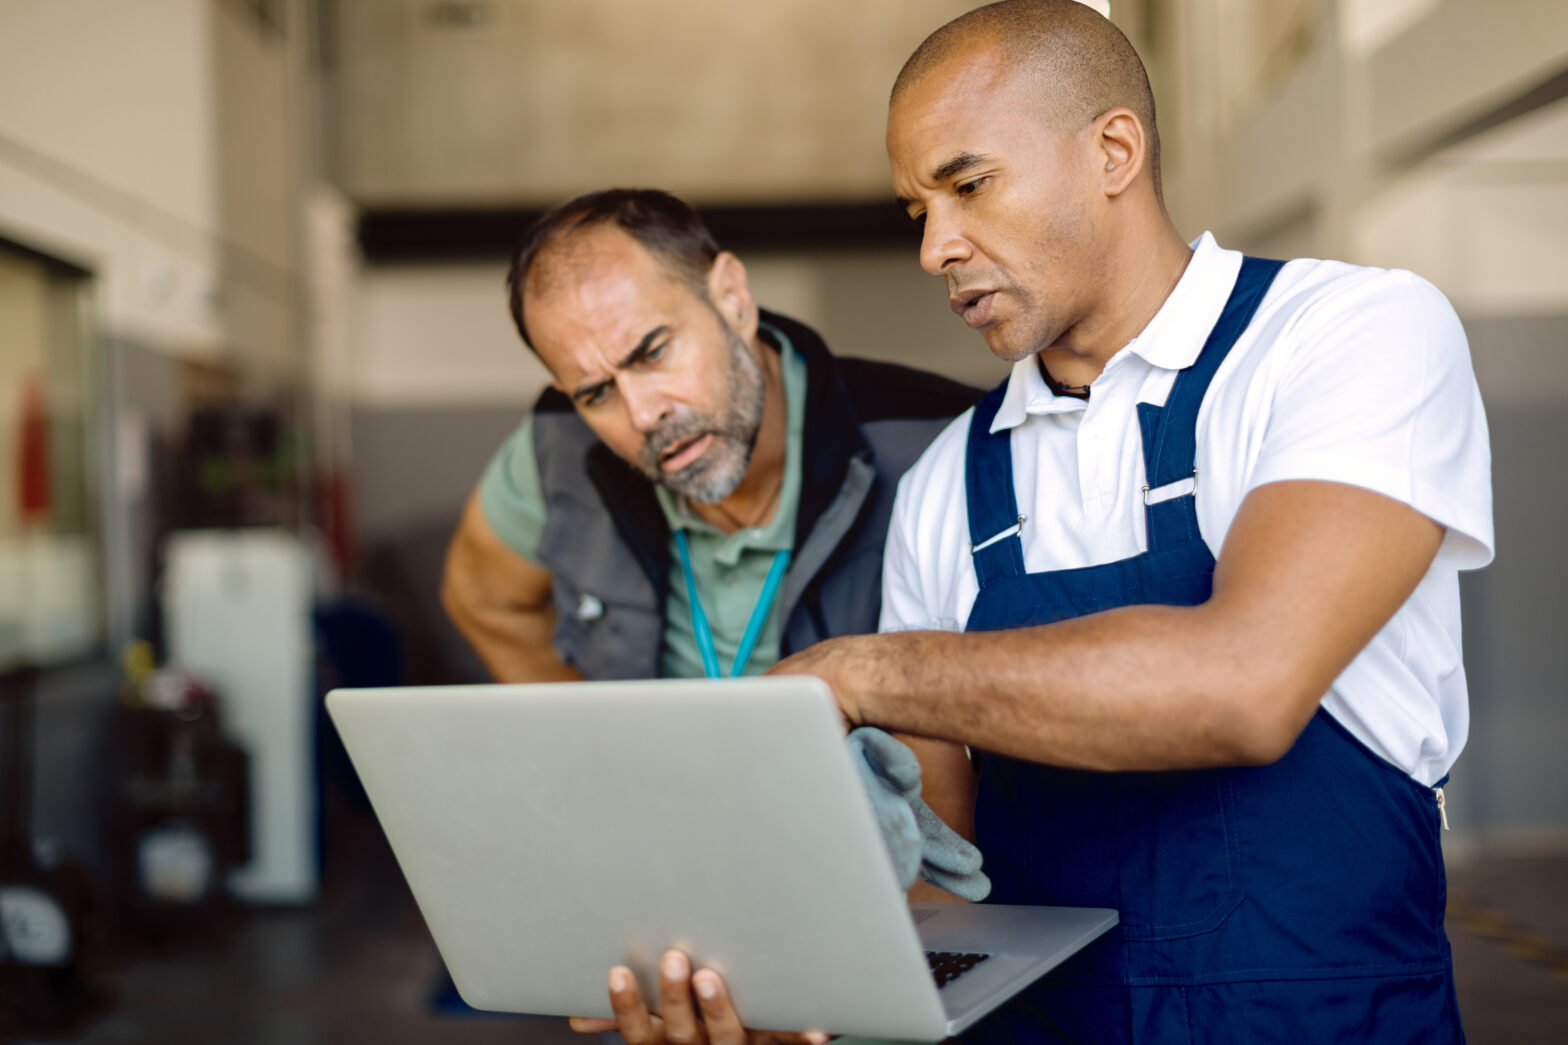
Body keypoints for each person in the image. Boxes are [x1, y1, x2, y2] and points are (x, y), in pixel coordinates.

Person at [588, 3, 1493, 1044]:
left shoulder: (1345, 337)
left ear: (1113, 149)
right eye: (913, 210)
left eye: (967, 185)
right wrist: (793, 989)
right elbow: (940, 882)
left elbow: (1243, 684)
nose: (934, 247)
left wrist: (855, 672)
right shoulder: (944, 486)